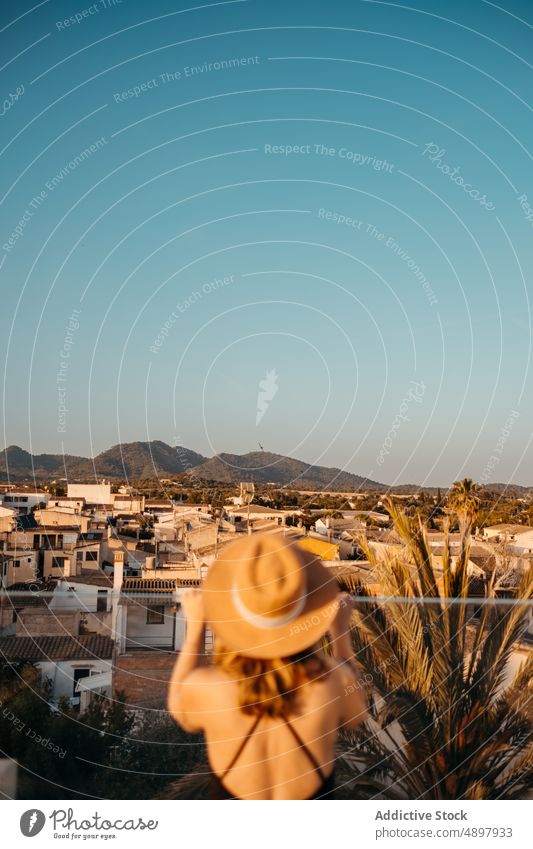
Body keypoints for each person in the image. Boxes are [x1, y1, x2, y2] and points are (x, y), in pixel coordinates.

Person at [167, 534, 368, 800]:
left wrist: (195, 626)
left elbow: (179, 707)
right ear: (304, 612)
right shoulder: (331, 682)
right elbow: (355, 717)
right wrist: (340, 632)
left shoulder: (212, 689)